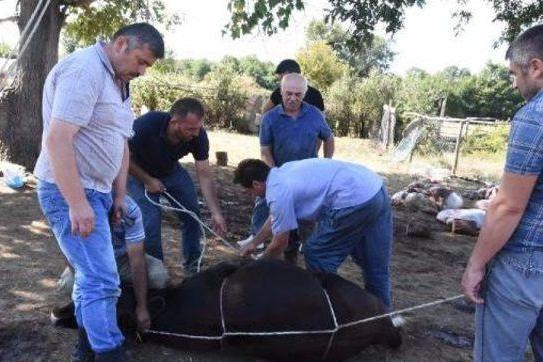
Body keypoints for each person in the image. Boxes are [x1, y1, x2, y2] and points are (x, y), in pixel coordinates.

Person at [34, 23, 164, 362]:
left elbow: (121, 144)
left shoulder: (119, 82)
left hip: (101, 192)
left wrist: (119, 195)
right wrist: (77, 203)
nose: (142, 71)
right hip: (70, 190)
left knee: (90, 273)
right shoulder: (84, 71)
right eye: (140, 61)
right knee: (102, 279)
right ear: (121, 44)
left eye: (147, 67)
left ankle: (85, 346)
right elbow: (57, 140)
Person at [460, 24, 543, 362]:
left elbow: (509, 206)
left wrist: (476, 264)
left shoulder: (536, 116)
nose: (513, 84)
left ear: (536, 67)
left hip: (524, 266)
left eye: (514, 73)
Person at [236, 158, 392, 308]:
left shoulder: (277, 192)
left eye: (248, 192)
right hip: (374, 187)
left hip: (353, 198)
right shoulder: (283, 172)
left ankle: (328, 312)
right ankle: (385, 317)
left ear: (256, 184)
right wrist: (254, 242)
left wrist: (258, 264)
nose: (251, 196)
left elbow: (280, 244)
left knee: (317, 252)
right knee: (374, 262)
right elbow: (275, 217)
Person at [127, 97, 227, 273]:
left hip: (170, 171)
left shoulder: (199, 135)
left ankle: (192, 266)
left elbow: (204, 173)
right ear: (174, 122)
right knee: (150, 221)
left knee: (192, 214)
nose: (195, 134)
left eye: (198, 128)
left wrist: (216, 212)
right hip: (137, 173)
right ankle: (156, 271)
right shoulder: (145, 126)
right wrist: (148, 180)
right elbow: (123, 157)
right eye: (190, 129)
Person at [245, 73, 334, 263]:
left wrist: (327, 162)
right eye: (288, 93)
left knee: (305, 224)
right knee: (271, 215)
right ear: (281, 91)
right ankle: (258, 246)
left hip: (308, 181)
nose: (293, 98)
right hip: (279, 177)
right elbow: (265, 150)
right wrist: (275, 175)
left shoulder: (315, 115)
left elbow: (329, 138)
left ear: (305, 93)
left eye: (298, 94)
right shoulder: (270, 118)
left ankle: (301, 262)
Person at [52, 194, 170, 336]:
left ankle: (133, 301)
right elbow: (70, 255)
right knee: (68, 283)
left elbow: (137, 260)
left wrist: (142, 307)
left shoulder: (129, 209)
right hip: (92, 262)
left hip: (123, 258)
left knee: (159, 276)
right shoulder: (74, 209)